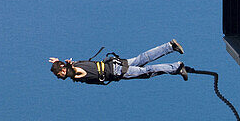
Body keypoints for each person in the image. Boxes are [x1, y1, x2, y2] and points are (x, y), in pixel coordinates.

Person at [50, 39, 188, 83]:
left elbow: (79, 72)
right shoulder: (74, 64)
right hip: (114, 63)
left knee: (146, 72)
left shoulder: (74, 71)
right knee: (142, 58)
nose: (59, 77)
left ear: (63, 70)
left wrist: (71, 68)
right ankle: (170, 46)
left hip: (116, 71)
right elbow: (73, 68)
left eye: (59, 75)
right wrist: (59, 62)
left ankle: (176, 67)